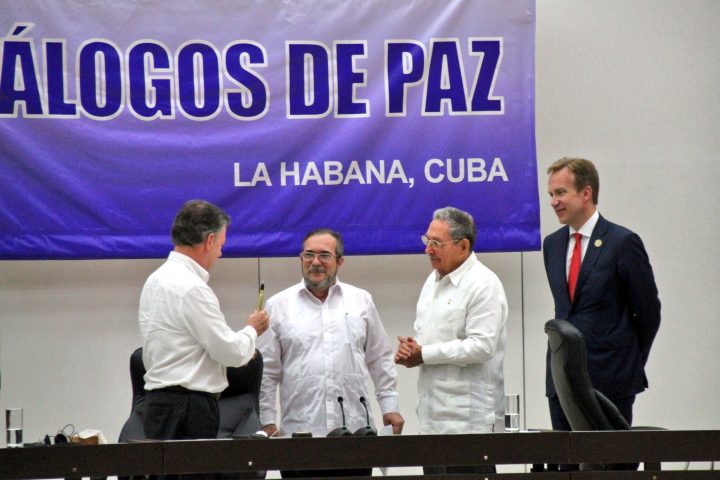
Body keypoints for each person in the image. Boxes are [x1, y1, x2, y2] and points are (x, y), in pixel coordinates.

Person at [258, 228, 404, 477]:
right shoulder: (278, 306)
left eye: (324, 255)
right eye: (308, 255)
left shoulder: (361, 301)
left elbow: (379, 357)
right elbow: (267, 371)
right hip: (300, 434)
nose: (315, 262)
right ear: (300, 259)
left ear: (340, 261)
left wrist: (389, 405)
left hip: (355, 434)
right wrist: (268, 421)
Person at [543, 158, 661, 465]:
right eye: (550, 195)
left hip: (611, 379)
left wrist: (628, 360)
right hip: (561, 383)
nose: (554, 202)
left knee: (613, 467)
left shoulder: (622, 242)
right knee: (567, 467)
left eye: (560, 192)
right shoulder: (552, 245)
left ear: (585, 193)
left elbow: (648, 312)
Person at [139, 199, 269, 447]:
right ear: (209, 241)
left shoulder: (155, 281)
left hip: (157, 407)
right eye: (220, 245)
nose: (220, 253)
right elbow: (230, 352)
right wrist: (252, 329)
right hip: (188, 411)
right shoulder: (192, 288)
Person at [395, 206, 508, 475]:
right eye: (427, 240)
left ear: (463, 245)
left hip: (469, 424)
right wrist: (411, 350)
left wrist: (424, 354)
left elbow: (482, 346)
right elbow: (428, 337)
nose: (428, 250)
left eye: (436, 243)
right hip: (432, 421)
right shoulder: (432, 281)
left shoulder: (483, 284)